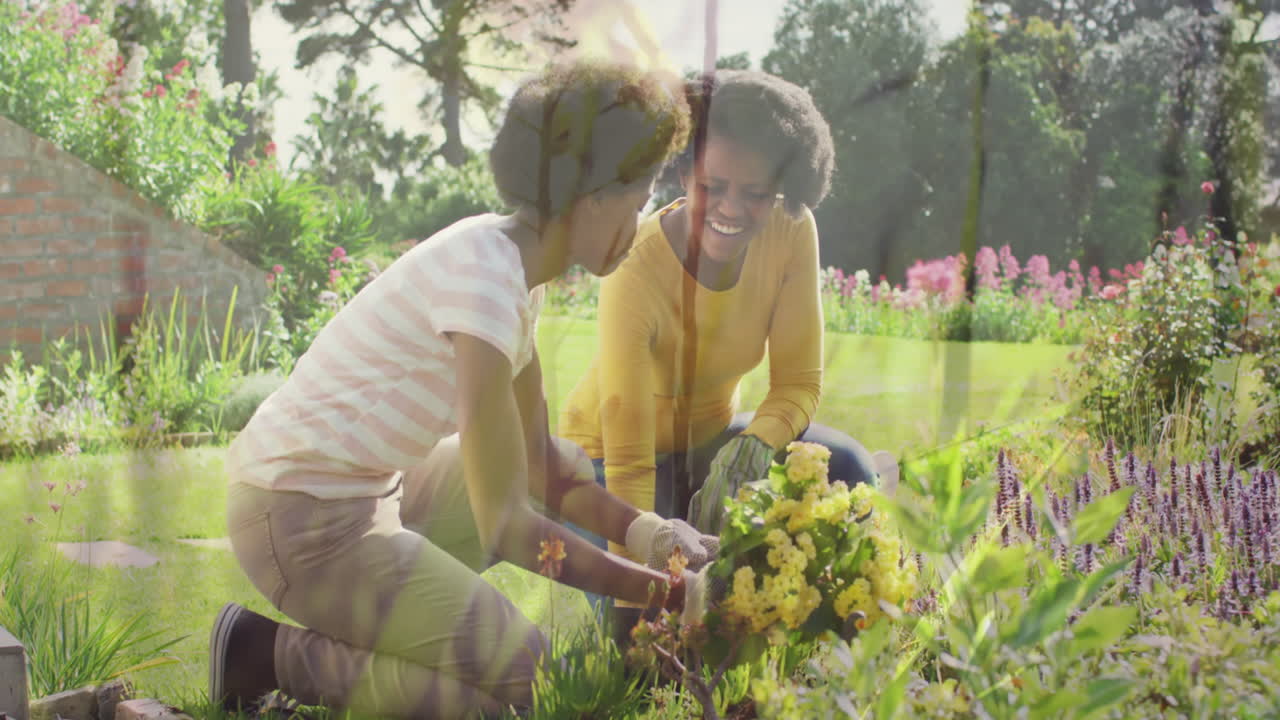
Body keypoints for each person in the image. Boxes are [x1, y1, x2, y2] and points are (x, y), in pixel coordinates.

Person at [208, 60, 720, 720]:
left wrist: (651, 535)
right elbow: (505, 527)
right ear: (592, 195)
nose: (643, 217)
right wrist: (670, 595)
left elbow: (537, 463)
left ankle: (383, 622)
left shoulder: (513, 264)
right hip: (299, 520)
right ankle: (264, 656)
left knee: (557, 464)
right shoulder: (485, 287)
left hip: (367, 490)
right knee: (534, 689)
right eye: (641, 197)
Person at [558, 69, 880, 587]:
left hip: (710, 448)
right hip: (606, 465)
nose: (731, 209)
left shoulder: (791, 230)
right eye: (712, 187)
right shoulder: (635, 267)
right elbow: (631, 465)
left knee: (849, 469)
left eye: (756, 193)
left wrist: (751, 449)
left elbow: (798, 383)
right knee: (679, 588)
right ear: (683, 173)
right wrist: (636, 595)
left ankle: (845, 612)